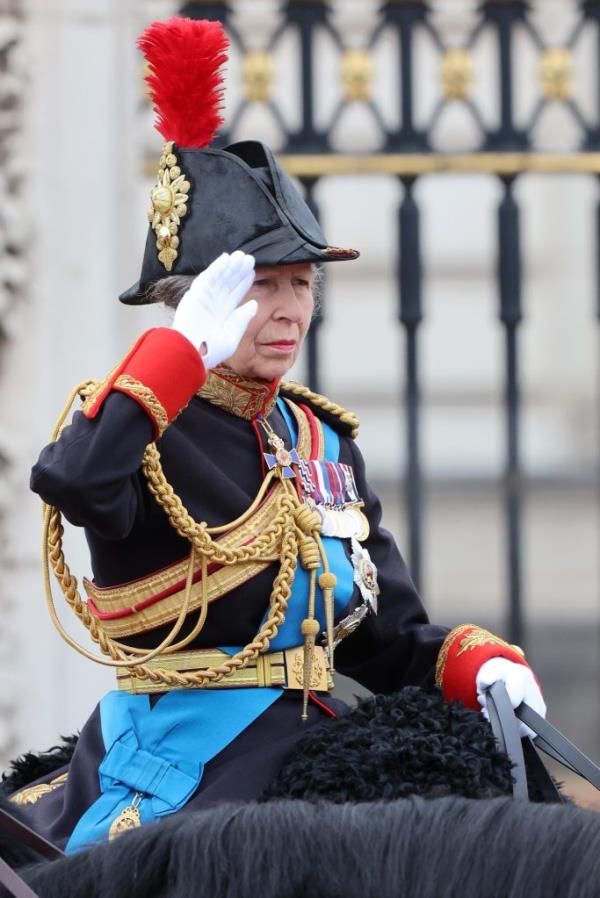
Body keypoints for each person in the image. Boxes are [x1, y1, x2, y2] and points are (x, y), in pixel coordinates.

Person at [14, 17, 545, 852]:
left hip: (314, 730)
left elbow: (387, 637)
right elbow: (75, 483)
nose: (292, 307)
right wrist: (175, 358)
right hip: (187, 752)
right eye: (262, 284)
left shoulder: (320, 442)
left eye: (302, 282)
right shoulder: (140, 420)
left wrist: (478, 662)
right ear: (199, 303)